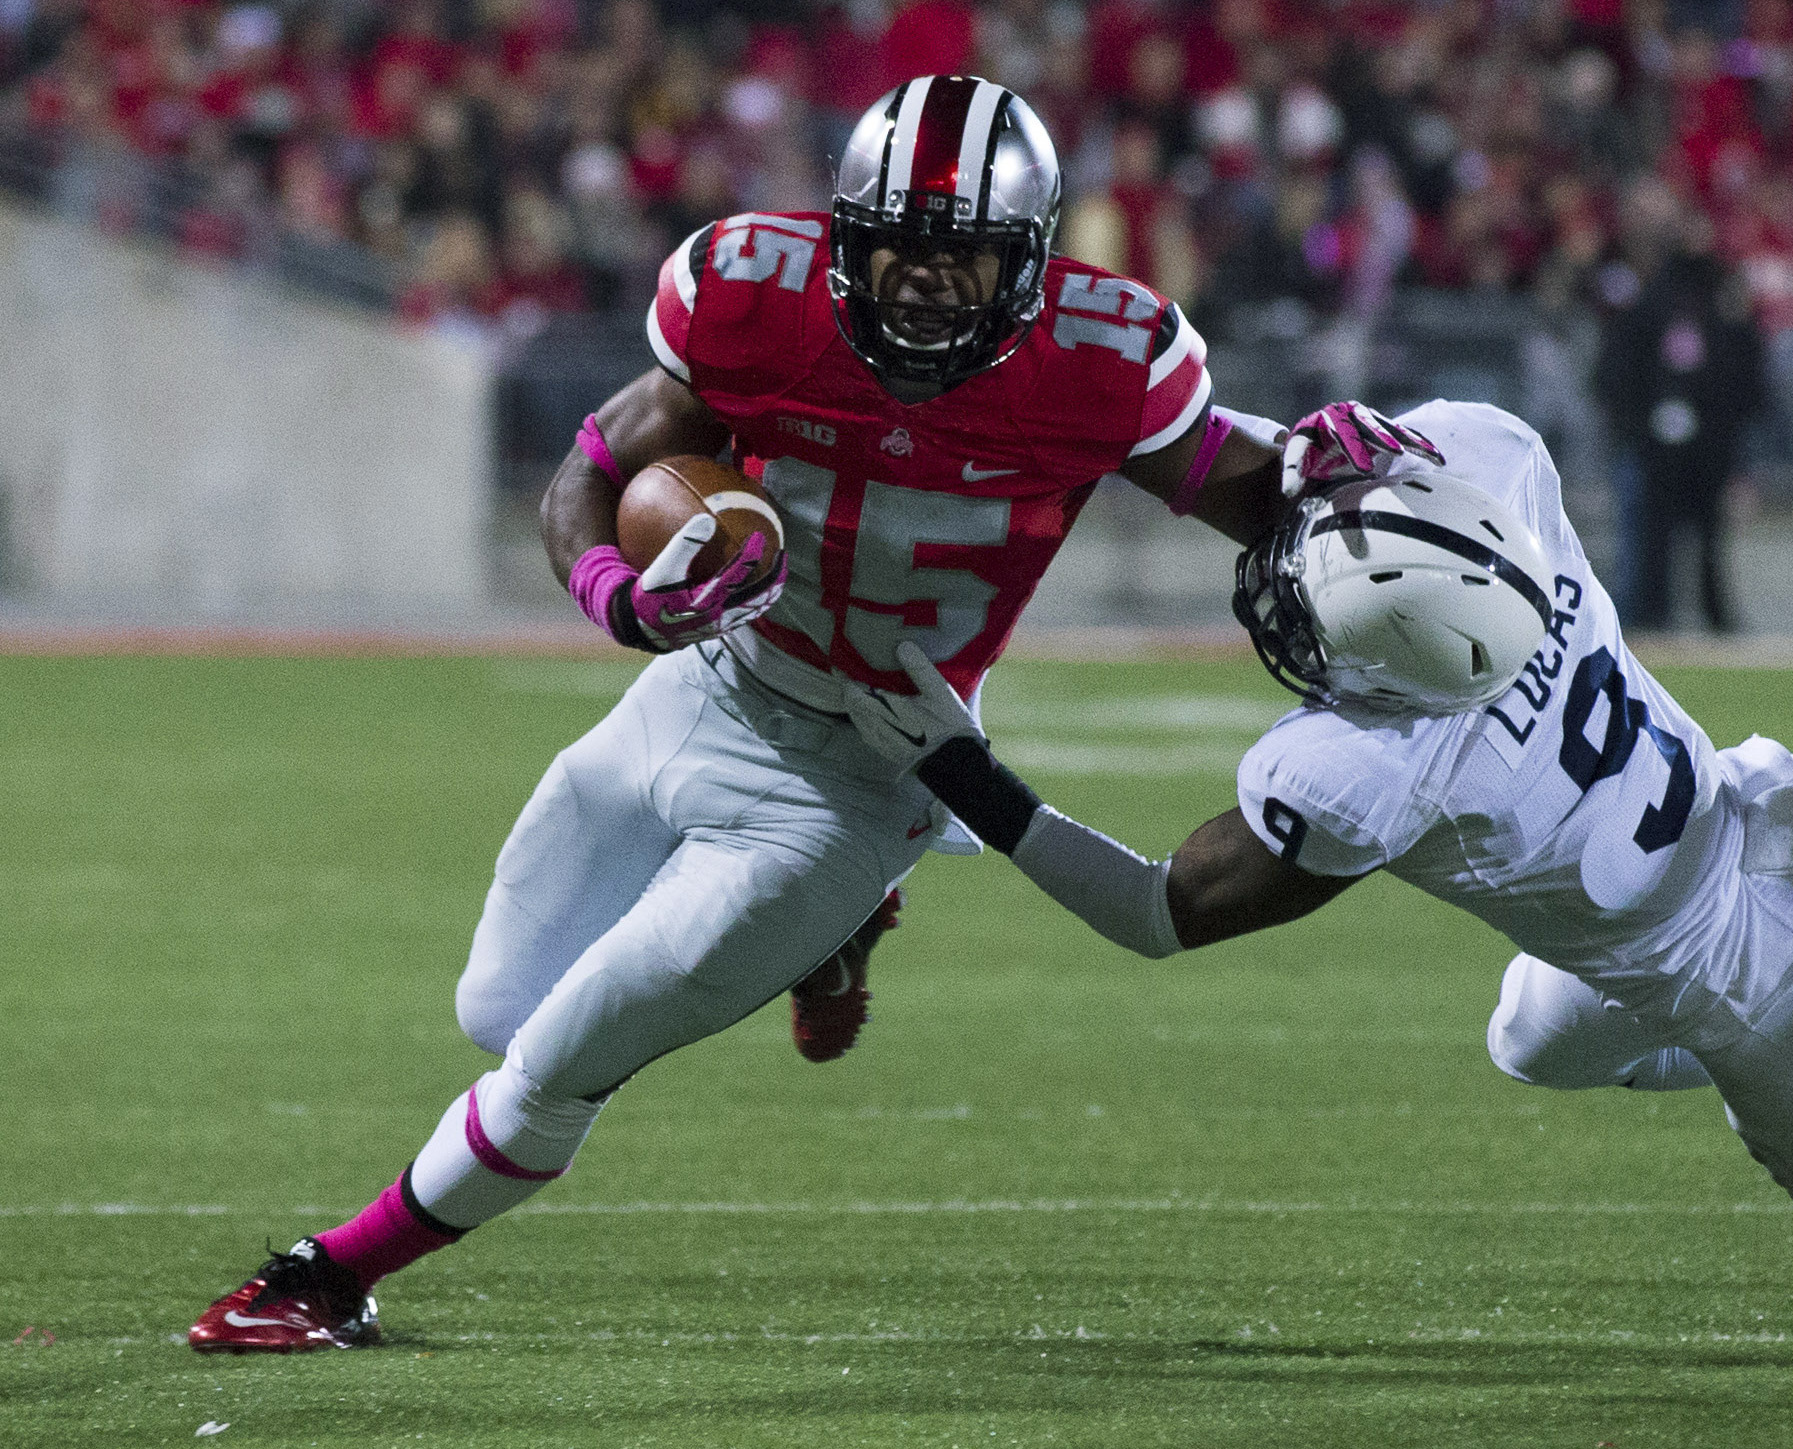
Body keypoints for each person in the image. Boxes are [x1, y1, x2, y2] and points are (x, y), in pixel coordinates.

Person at [186, 74, 1303, 1354]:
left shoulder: (1106, 365)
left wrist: (1377, 501)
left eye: (964, 260)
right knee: (498, 1007)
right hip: (707, 688)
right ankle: (837, 941)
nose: (926, 285)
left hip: (868, 772)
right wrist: (614, 593)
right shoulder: (750, 295)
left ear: (1032, 268)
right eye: (897, 250)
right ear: (842, 240)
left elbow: (1263, 492)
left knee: (555, 1062)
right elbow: (592, 476)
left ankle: (329, 1277)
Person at [839, 396, 1793, 1319]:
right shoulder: (1498, 474)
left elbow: (1151, 912)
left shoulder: (1374, 766)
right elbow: (1362, 477)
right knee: (1530, 1030)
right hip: (1743, 848)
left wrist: (968, 776)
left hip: (1777, 992)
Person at [1594, 246, 1763, 633]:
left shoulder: (1721, 319)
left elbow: (1744, 385)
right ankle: (1655, 612)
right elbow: (1615, 376)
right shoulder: (1649, 315)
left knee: (1704, 536)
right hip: (1657, 447)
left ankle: (1708, 613)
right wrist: (1640, 424)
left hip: (1707, 446)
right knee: (1655, 536)